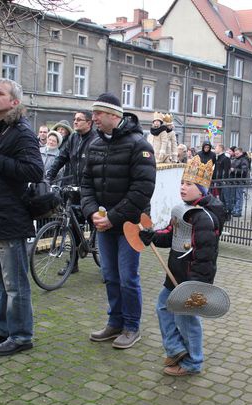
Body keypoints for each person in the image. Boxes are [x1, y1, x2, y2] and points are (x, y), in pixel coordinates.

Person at [0, 78, 43, 356]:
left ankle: (22, 335)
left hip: (10, 217)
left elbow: (35, 170)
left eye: (0, 93)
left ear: (14, 102)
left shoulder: (21, 132)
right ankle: (4, 330)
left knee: (15, 284)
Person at [138, 155, 225, 376]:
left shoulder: (203, 218)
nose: (183, 187)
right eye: (182, 183)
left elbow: (204, 257)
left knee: (187, 321)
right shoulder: (181, 209)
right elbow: (170, 235)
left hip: (190, 280)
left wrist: (194, 285)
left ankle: (193, 363)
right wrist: (152, 237)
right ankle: (176, 349)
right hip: (174, 275)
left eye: (189, 184)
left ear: (202, 189)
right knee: (163, 308)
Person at [81, 93, 156, 349]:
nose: (94, 119)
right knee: (110, 276)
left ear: (114, 116)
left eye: (98, 115)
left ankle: (131, 326)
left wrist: (112, 217)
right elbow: (86, 183)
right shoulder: (95, 144)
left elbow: (142, 190)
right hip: (104, 224)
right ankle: (114, 322)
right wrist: (91, 211)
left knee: (127, 278)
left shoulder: (139, 145)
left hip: (129, 224)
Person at [46, 111, 98, 274]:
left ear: (89, 123)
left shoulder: (96, 139)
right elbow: (61, 158)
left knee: (98, 223)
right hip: (73, 188)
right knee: (73, 225)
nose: (75, 122)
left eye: (79, 120)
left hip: (91, 190)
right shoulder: (73, 138)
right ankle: (73, 263)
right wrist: (49, 177)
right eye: (74, 119)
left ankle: (106, 264)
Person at [229, 147, 249, 217]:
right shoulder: (235, 159)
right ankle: (235, 209)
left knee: (239, 196)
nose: (236, 154)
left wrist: (234, 170)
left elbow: (244, 171)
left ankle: (238, 210)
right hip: (235, 180)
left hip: (240, 180)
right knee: (235, 196)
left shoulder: (244, 160)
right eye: (235, 153)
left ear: (241, 152)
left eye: (237, 153)